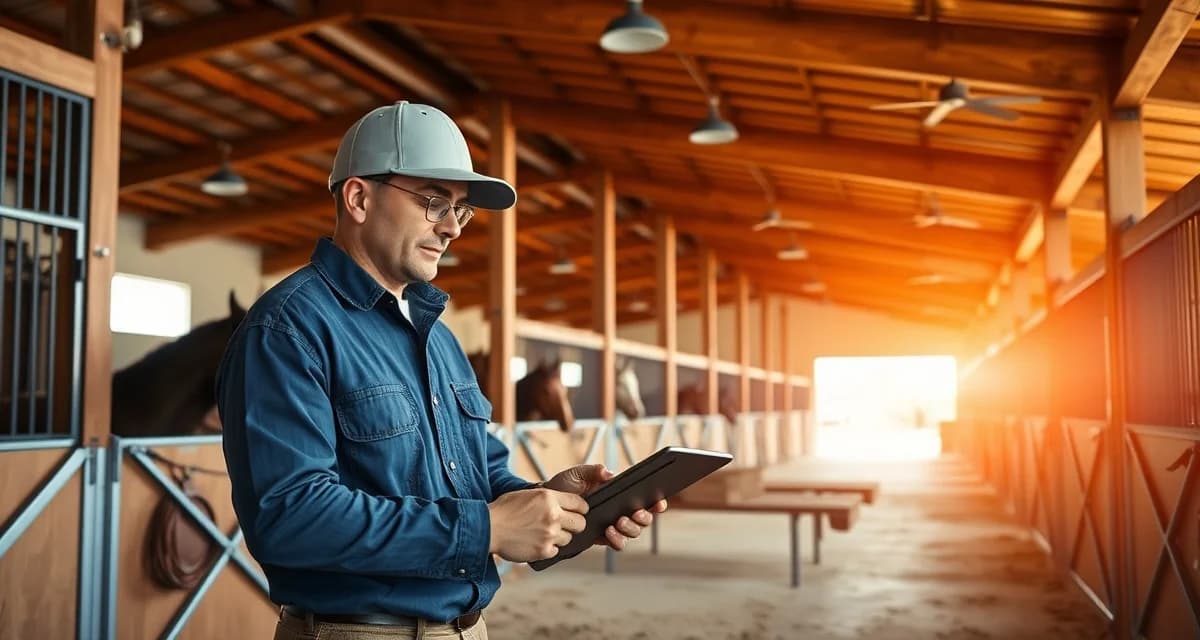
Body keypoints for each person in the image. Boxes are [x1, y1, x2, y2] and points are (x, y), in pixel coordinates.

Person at [216, 101, 667, 640]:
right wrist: (490, 528)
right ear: (358, 198)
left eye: (461, 209)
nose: (453, 228)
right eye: (434, 202)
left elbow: (478, 476)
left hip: (466, 630)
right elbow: (289, 516)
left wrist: (555, 503)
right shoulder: (289, 329)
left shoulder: (440, 339)